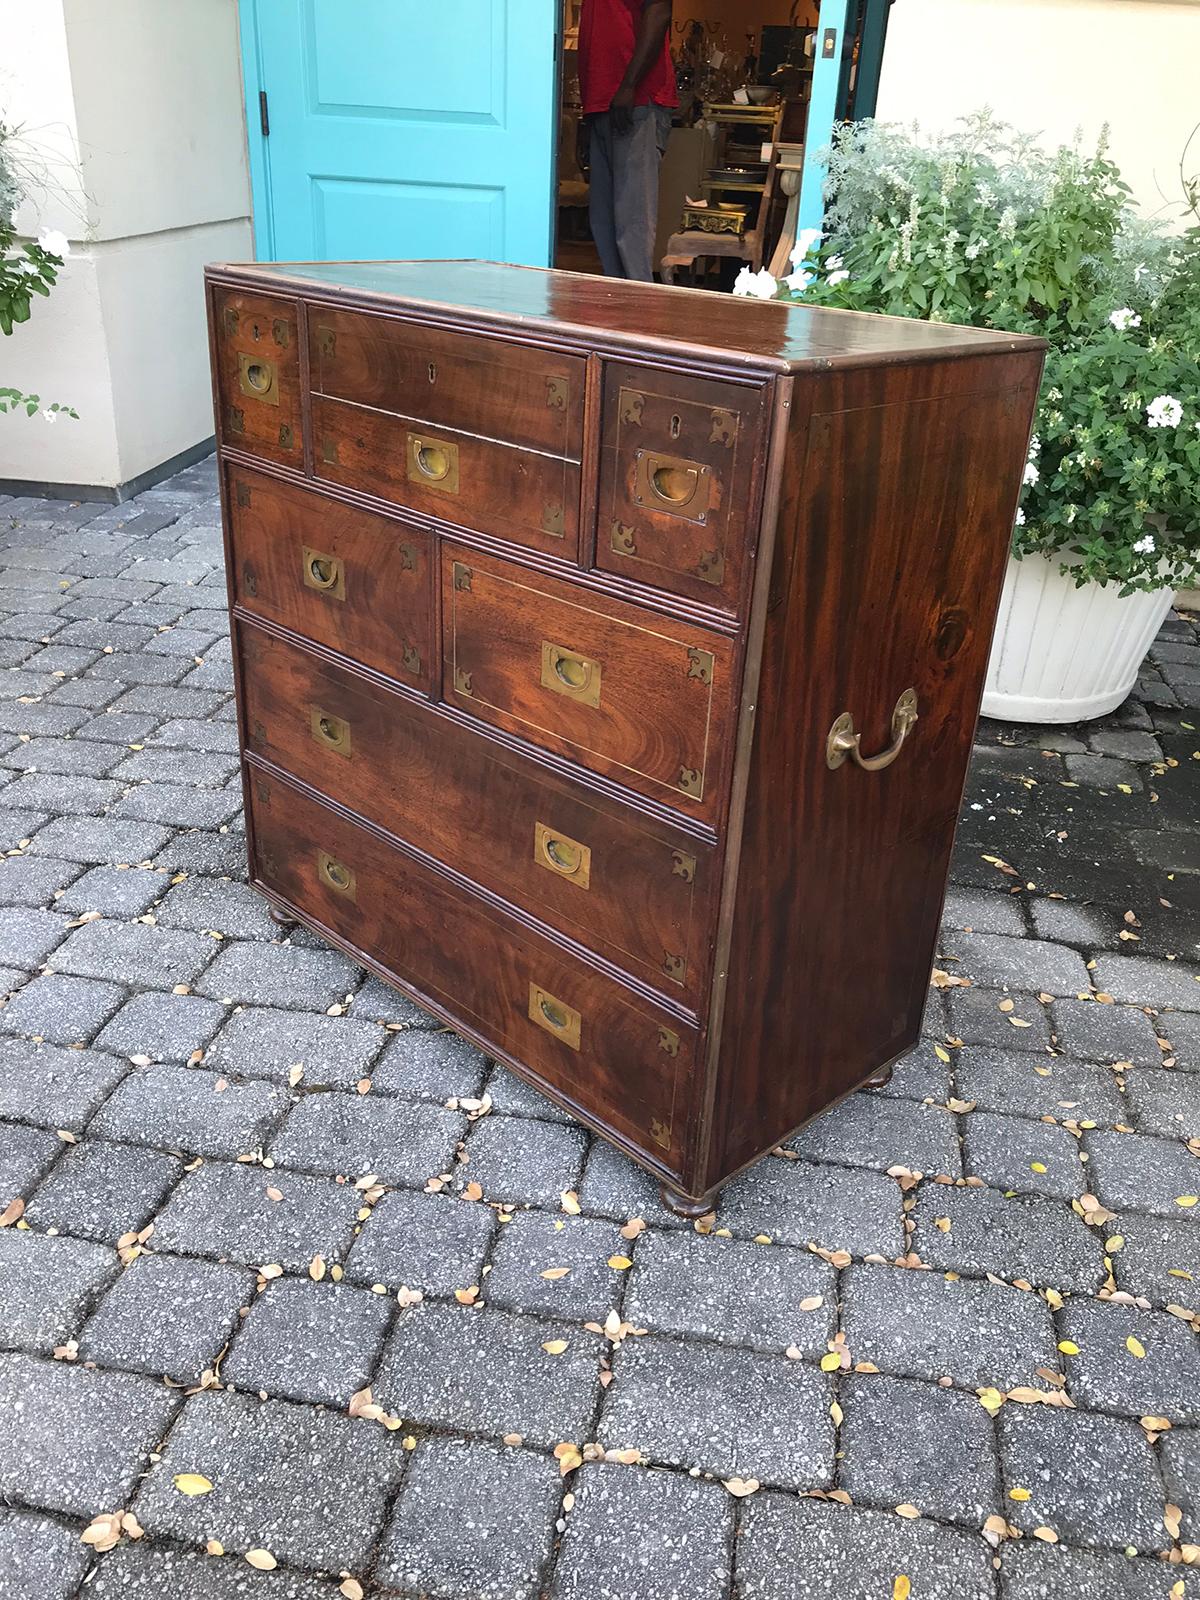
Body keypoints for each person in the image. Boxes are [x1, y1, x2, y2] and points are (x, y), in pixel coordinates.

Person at [578, 0, 675, 283]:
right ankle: (618, 313)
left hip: (635, 101)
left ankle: (638, 316)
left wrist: (629, 84)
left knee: (632, 227)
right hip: (601, 103)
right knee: (604, 223)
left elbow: (660, 11)